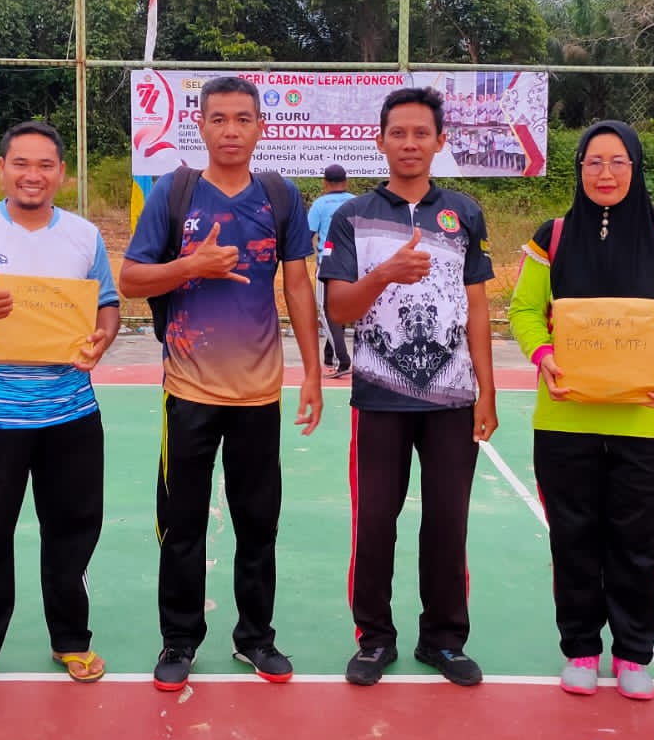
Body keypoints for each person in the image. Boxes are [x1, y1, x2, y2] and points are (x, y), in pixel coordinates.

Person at [119, 75, 323, 691]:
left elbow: (297, 287)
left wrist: (313, 372)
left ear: (261, 126)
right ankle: (179, 639)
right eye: (219, 119)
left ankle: (255, 638)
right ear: (200, 126)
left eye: (242, 119)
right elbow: (131, 279)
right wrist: (192, 265)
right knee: (181, 525)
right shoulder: (174, 193)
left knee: (258, 525)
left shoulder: (281, 197)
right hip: (187, 392)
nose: (231, 130)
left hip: (259, 394)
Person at [506, 120, 654, 701]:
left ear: (635, 168)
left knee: (638, 543)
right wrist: (543, 354)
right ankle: (580, 649)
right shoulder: (552, 237)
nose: (605, 173)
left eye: (618, 162)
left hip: (644, 419)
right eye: (593, 162)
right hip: (565, 418)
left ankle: (633, 653)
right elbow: (524, 310)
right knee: (573, 539)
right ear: (579, 169)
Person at [0, 121, 120, 696]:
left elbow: (107, 306)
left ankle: (72, 639)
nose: (33, 175)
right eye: (21, 163)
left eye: (45, 165)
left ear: (62, 173)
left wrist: (103, 338)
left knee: (73, 532)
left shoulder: (83, 236)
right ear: (1, 169)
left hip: (71, 414)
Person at [320, 87, 497, 687]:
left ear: (440, 141)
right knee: (375, 523)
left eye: (422, 133)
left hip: (453, 399)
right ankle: (374, 638)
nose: (410, 143)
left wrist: (487, 391)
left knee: (447, 523)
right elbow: (339, 309)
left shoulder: (464, 213)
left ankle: (443, 639)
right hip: (379, 399)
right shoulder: (352, 216)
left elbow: (477, 308)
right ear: (380, 141)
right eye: (398, 133)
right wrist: (386, 274)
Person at [306, 163, 356, 377]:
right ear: (346, 182)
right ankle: (329, 353)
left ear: (324, 183)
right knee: (342, 307)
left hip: (328, 263)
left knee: (327, 311)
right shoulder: (356, 202)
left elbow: (307, 234)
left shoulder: (320, 204)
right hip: (354, 263)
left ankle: (342, 359)